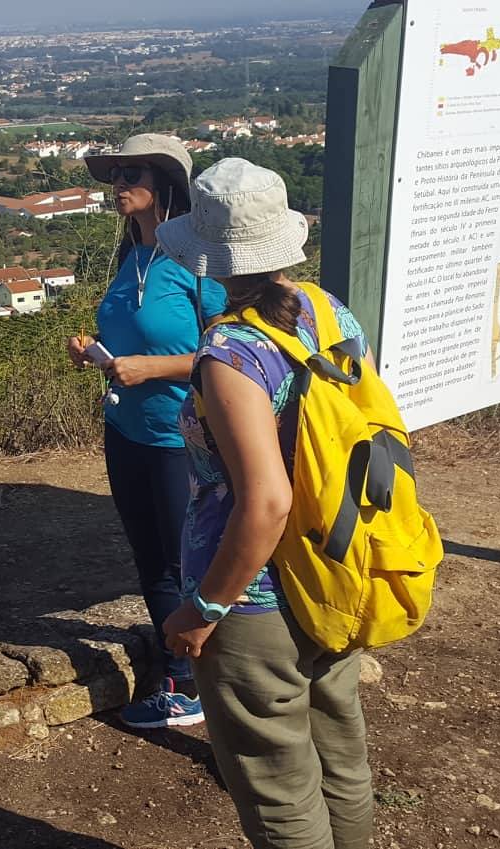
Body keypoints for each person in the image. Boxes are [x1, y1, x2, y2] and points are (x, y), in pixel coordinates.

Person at [154, 157, 376, 849]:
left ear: (210, 254)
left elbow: (266, 500)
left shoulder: (230, 354)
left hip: (258, 603)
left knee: (279, 790)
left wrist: (202, 609)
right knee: (341, 757)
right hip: (334, 565)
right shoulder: (327, 309)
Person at [67, 133, 225, 729]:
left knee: (188, 563)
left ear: (166, 187)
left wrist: (151, 367)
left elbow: (230, 352)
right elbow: (138, 334)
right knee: (151, 560)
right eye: (115, 174)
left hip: (177, 438)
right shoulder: (130, 259)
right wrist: (99, 355)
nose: (119, 184)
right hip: (126, 428)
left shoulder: (198, 263)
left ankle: (199, 682)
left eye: (132, 173)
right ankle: (176, 677)